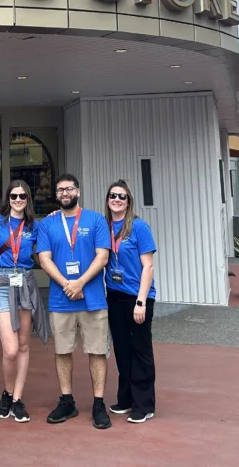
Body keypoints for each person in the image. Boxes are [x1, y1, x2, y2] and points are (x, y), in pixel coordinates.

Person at [36, 173, 113, 429]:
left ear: (77, 191)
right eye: (60, 190)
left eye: (69, 189)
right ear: (56, 195)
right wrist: (67, 284)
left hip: (92, 299)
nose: (64, 193)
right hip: (61, 299)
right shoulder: (48, 224)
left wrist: (80, 282)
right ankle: (67, 400)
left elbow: (102, 256)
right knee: (63, 351)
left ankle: (98, 404)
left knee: (97, 351)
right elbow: (44, 259)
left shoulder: (96, 220)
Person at [0, 180, 49, 424]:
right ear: (7, 198)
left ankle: (16, 398)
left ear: (28, 198)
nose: (18, 200)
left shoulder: (35, 225)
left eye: (22, 196)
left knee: (23, 345)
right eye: (14, 196)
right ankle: (7, 392)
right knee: (9, 349)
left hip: (26, 283)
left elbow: (42, 251)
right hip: (1, 284)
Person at [104, 180, 157, 424]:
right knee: (122, 349)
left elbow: (148, 266)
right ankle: (125, 398)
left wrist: (141, 301)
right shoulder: (104, 226)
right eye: (113, 195)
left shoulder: (138, 227)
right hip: (114, 296)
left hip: (137, 297)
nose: (117, 199)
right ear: (108, 200)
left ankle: (144, 404)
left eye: (122, 196)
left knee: (140, 350)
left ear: (128, 201)